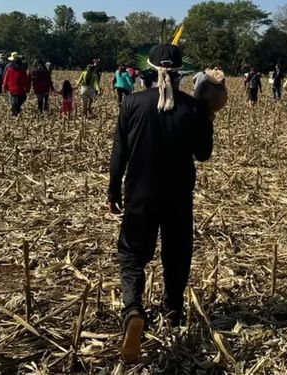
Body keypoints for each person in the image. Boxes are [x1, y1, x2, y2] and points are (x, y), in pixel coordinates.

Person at [106, 43, 214, 363]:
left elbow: (118, 153)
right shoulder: (193, 109)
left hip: (139, 194)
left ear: (150, 71)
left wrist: (113, 191)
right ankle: (173, 310)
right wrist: (207, 115)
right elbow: (203, 154)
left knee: (131, 254)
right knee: (177, 254)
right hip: (178, 196)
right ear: (180, 73)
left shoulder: (132, 104)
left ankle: (133, 309)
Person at [2, 52, 31, 117]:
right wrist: (27, 89)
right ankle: (16, 112)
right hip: (20, 90)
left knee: (14, 101)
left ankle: (14, 112)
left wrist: (4, 87)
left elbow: (5, 79)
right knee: (19, 101)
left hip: (12, 89)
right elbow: (25, 81)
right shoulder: (22, 70)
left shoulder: (9, 69)